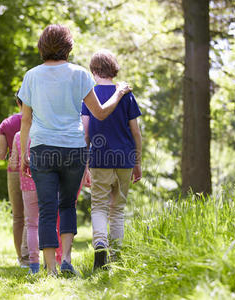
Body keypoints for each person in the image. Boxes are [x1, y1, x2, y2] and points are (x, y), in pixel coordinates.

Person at [18, 24, 131, 276]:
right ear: (68, 46)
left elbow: (26, 120)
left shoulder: (32, 76)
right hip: (73, 149)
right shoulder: (80, 74)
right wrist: (120, 92)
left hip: (42, 148)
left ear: (42, 46)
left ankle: (50, 270)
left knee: (47, 208)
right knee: (67, 204)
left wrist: (24, 152)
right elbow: (100, 112)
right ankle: (67, 260)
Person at [81, 49, 142, 270]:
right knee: (117, 209)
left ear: (94, 70)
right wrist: (138, 162)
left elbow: (86, 133)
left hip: (99, 158)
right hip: (125, 157)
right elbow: (136, 132)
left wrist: (86, 164)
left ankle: (100, 245)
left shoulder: (89, 95)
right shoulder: (126, 94)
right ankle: (116, 255)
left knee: (98, 206)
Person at [0, 98, 29, 267]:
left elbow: (1, 155)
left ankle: (21, 258)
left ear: (18, 102)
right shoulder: (40, 119)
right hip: (36, 168)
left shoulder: (8, 123)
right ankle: (33, 253)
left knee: (18, 216)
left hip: (15, 170)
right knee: (34, 214)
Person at [10, 131, 40, 274]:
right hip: (46, 182)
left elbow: (14, 162)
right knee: (47, 219)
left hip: (27, 184)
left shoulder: (18, 136)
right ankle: (50, 258)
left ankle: (28, 259)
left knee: (30, 223)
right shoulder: (45, 133)